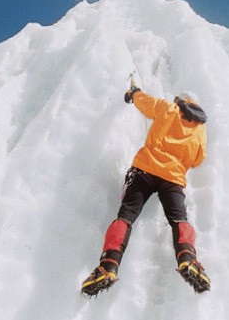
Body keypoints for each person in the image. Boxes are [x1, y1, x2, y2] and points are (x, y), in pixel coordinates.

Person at [81, 84, 210, 296]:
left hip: (145, 170)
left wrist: (134, 94)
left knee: (126, 215)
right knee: (179, 219)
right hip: (173, 178)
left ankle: (109, 265)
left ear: (182, 100)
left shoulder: (169, 108)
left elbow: (146, 104)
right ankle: (188, 259)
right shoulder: (200, 129)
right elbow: (198, 159)